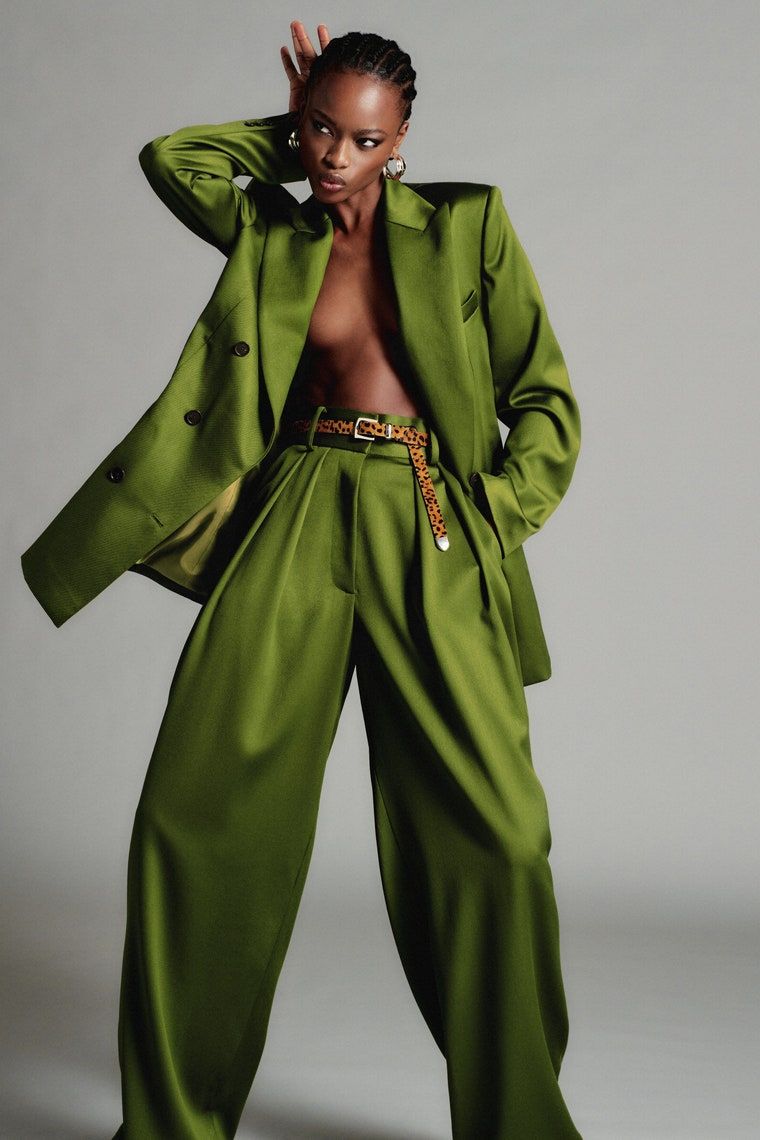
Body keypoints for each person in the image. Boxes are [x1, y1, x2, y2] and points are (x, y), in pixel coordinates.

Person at [21, 20, 584, 1140]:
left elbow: (545, 399)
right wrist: (279, 135)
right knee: (197, 813)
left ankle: (518, 1122)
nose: (335, 156)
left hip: (428, 521)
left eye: (362, 139)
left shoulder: (468, 224)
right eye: (320, 130)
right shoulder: (270, 231)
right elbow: (173, 160)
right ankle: (172, 1126)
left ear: (402, 141)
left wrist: (493, 515)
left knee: (501, 837)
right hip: (297, 504)